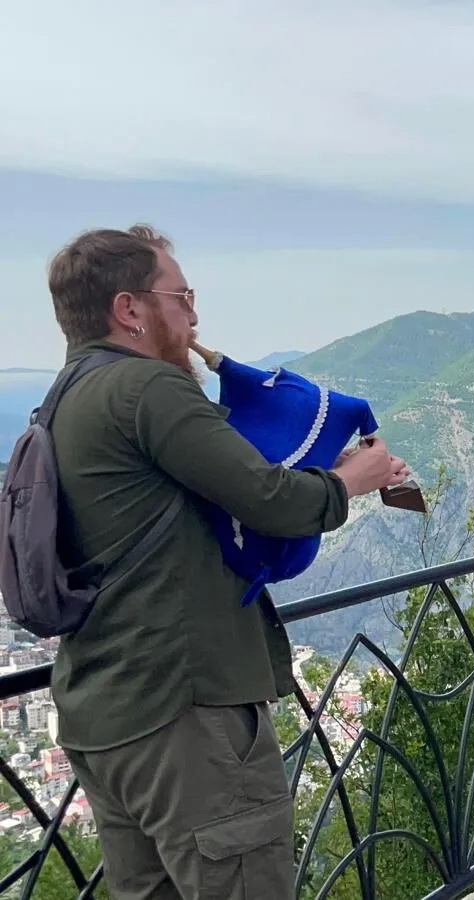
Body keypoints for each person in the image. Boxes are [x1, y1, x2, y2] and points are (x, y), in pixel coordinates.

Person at [45, 224, 412, 898]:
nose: (194, 316)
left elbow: (206, 491)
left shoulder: (64, 400)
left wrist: (321, 466)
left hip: (104, 716)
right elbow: (270, 500)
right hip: (187, 713)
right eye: (181, 297)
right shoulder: (148, 389)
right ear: (129, 308)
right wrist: (350, 481)